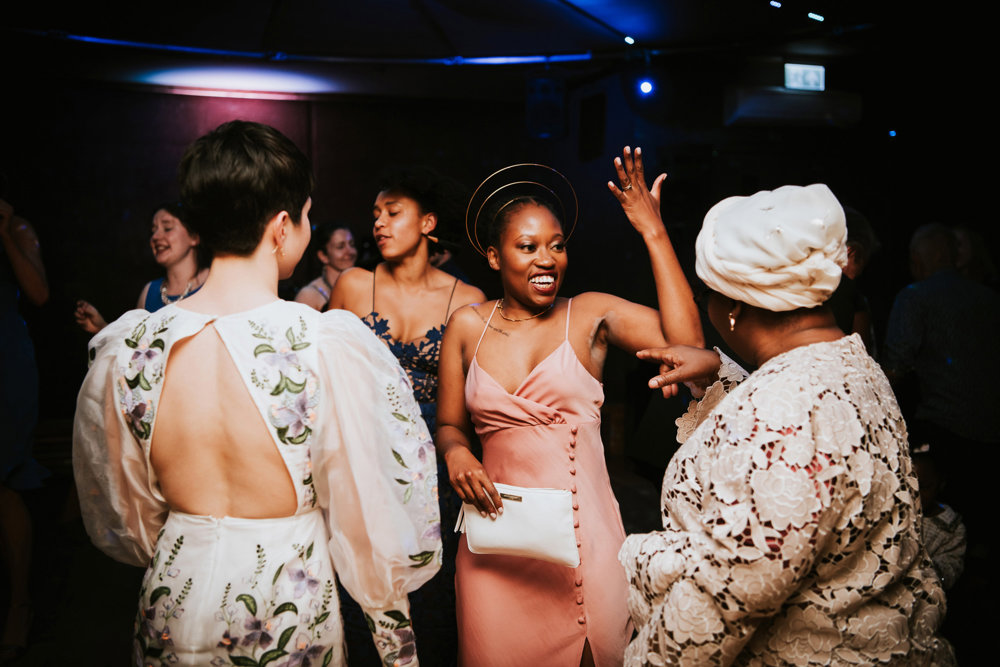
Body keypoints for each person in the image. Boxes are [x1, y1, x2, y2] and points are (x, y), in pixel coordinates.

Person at [73, 120, 441, 666]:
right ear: (282, 226)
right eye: (307, 216)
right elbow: (372, 516)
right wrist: (395, 645)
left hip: (173, 595)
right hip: (283, 607)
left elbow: (123, 505)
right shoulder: (323, 344)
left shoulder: (131, 347)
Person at [619, 184, 954, 665]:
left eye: (707, 293)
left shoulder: (784, 411)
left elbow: (724, 598)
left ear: (733, 306)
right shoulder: (852, 363)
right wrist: (719, 371)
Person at [434, 147, 703, 666]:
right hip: (495, 551)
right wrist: (457, 453)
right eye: (527, 246)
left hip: (584, 548)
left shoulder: (590, 315)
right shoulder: (467, 325)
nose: (547, 259)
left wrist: (653, 232)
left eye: (557, 246)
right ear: (494, 257)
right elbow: (449, 423)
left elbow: (688, 346)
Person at [327, 164, 484, 666]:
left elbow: (477, 400)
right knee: (363, 584)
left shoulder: (468, 300)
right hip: (365, 459)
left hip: (435, 466)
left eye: (393, 212)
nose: (379, 223)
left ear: (428, 223)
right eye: (375, 213)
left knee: (432, 593)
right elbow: (323, 379)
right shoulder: (354, 285)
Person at [0, 194, 49, 662]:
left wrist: (4, 230)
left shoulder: (16, 229)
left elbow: (38, 293)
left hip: (6, 360)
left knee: (6, 478)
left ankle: (19, 605)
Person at [74, 202, 209, 332]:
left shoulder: (212, 281)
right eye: (153, 231)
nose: (155, 237)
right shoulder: (149, 292)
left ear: (194, 237)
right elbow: (134, 344)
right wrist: (101, 328)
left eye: (167, 228)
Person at [294, 223, 357, 310]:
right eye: (340, 247)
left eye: (352, 244)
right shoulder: (309, 295)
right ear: (323, 256)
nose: (350, 251)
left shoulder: (359, 287)